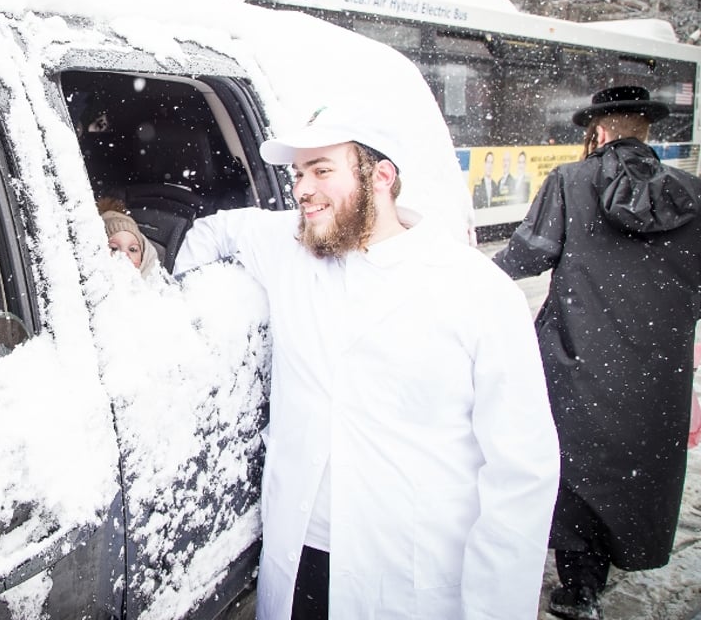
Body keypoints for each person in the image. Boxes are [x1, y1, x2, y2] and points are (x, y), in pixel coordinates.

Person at [173, 103, 559, 620]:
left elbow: (522, 473)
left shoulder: (477, 293)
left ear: (381, 175)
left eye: (322, 170)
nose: (303, 188)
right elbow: (212, 234)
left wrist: (496, 610)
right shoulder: (288, 248)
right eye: (298, 174)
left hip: (410, 582)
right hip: (301, 560)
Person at [493, 85, 701, 620]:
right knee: (630, 468)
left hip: (577, 356)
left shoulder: (571, 180)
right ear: (645, 132)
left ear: (601, 132)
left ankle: (579, 586)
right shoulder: (693, 193)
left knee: (576, 468)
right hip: (658, 369)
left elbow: (526, 256)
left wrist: (464, 273)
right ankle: (613, 561)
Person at [98, 197, 160, 276]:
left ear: (143, 257)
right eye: (114, 248)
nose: (125, 255)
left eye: (133, 249)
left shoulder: (157, 286)